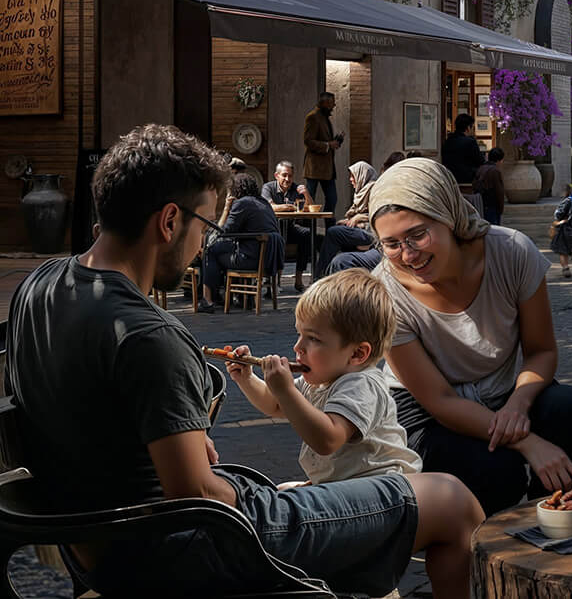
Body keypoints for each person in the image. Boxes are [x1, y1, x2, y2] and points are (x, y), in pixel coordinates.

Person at [5, 123, 449, 599]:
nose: (202, 247)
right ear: (170, 221)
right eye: (206, 226)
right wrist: (243, 491)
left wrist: (177, 447)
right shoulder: (150, 336)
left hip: (97, 544)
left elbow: (84, 405)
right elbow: (198, 498)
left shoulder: (39, 285)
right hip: (174, 553)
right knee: (450, 500)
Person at [218, 272, 486, 599]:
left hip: (381, 491)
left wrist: (286, 389)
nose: (297, 348)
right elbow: (276, 405)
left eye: (313, 339)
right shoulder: (324, 378)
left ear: (357, 354)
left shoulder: (362, 384)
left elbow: (328, 438)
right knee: (284, 491)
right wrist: (247, 379)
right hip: (342, 487)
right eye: (299, 334)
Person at [372, 158, 572, 516]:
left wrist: (518, 404)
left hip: (504, 390)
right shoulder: (383, 291)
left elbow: (541, 352)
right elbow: (439, 399)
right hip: (429, 412)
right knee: (495, 472)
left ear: (448, 216)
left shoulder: (510, 252)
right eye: (391, 243)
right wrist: (526, 441)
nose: (408, 254)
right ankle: (481, 547)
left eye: (417, 234)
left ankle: (546, 519)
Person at [198, 171, 284, 314]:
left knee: (211, 250)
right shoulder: (264, 203)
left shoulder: (242, 203)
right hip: (268, 260)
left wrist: (227, 208)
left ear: (236, 189)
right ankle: (241, 297)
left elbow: (226, 231)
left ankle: (208, 300)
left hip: (250, 260)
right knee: (221, 249)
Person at [317, 160, 382, 275]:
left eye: (353, 176)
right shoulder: (361, 191)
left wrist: (358, 218)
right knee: (337, 231)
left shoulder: (373, 190)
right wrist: (350, 220)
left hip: (370, 232)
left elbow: (379, 213)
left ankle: (321, 275)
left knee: (333, 233)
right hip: (362, 229)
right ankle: (333, 274)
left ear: (362, 175)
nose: (351, 179)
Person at [263, 160, 313, 289]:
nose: (287, 179)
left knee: (307, 234)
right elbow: (269, 206)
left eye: (290, 176)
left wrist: (306, 194)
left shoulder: (296, 188)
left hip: (291, 228)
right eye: (284, 175)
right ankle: (275, 280)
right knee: (279, 231)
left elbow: (310, 208)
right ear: (276, 175)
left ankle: (299, 279)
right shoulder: (268, 187)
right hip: (272, 230)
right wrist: (286, 207)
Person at [301, 90, 345, 210]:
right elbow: (308, 141)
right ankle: (308, 227)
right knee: (310, 200)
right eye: (331, 103)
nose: (334, 106)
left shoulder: (324, 117)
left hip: (327, 169)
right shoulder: (313, 117)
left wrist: (335, 141)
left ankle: (330, 227)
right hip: (315, 168)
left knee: (332, 199)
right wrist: (328, 145)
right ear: (324, 103)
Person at [440, 113, 483, 185]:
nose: (473, 130)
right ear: (468, 128)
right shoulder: (470, 142)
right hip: (467, 179)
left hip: (449, 179)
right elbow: (480, 161)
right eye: (473, 128)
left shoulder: (448, 141)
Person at [473, 146, 506, 225]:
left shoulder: (481, 169)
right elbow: (499, 191)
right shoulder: (495, 171)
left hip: (481, 204)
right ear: (499, 160)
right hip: (492, 205)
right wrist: (501, 208)